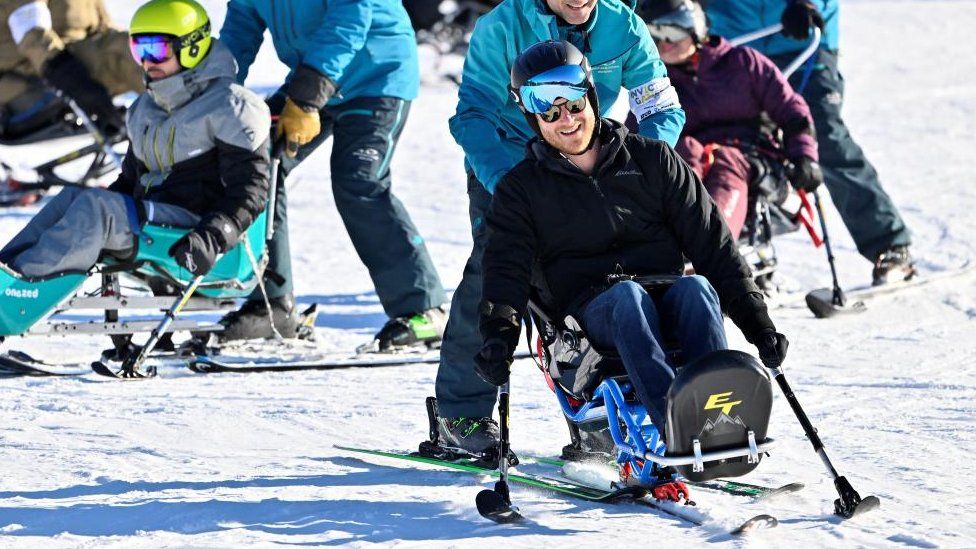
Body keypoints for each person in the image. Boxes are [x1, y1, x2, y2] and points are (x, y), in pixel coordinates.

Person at [473, 41, 788, 485]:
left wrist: (758, 323)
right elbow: (505, 269)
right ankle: (675, 430)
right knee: (627, 298)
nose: (566, 119)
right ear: (531, 115)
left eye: (574, 101)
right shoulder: (522, 190)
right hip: (584, 323)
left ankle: (722, 422)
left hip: (663, 296)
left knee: (697, 289)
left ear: (591, 96)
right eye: (548, 109)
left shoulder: (653, 161)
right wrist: (498, 336)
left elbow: (715, 247)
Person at [436, 0, 687, 454]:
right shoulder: (502, 28)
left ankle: (599, 416)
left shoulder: (622, 25)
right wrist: (514, 186)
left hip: (587, 161)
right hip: (509, 164)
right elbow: (474, 117)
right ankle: (462, 414)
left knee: (600, 282)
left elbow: (662, 109)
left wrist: (636, 170)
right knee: (497, 275)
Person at [218, 0, 449, 347]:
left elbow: (350, 17)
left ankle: (425, 309)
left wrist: (310, 96)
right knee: (254, 164)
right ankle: (271, 304)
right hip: (314, 76)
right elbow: (239, 32)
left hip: (376, 74)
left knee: (359, 179)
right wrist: (214, 95)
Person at [0, 0, 269, 283]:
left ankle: (21, 288)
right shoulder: (146, 108)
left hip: (193, 234)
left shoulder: (232, 106)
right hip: (154, 218)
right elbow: (129, 182)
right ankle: (6, 273)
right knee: (75, 198)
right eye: (138, 50)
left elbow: (250, 190)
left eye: (157, 49)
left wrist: (215, 235)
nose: (146, 61)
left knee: (97, 209)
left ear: (192, 47)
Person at [694, 0, 915, 285]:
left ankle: (888, 244)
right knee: (727, 144)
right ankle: (745, 247)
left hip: (800, 37)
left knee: (820, 133)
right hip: (736, 41)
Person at [633, 0, 820, 240]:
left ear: (694, 28)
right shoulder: (659, 85)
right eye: (654, 37)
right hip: (697, 157)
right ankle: (667, 240)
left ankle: (712, 242)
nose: (663, 45)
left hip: (753, 156)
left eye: (670, 33)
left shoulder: (742, 62)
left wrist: (805, 156)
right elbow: (639, 138)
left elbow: (792, 110)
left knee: (726, 159)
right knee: (683, 151)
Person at [0, 0, 144, 137]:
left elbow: (103, 29)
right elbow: (31, 34)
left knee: (147, 43)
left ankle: (161, 118)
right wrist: (68, 75)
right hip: (29, 72)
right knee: (127, 51)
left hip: (71, 57)